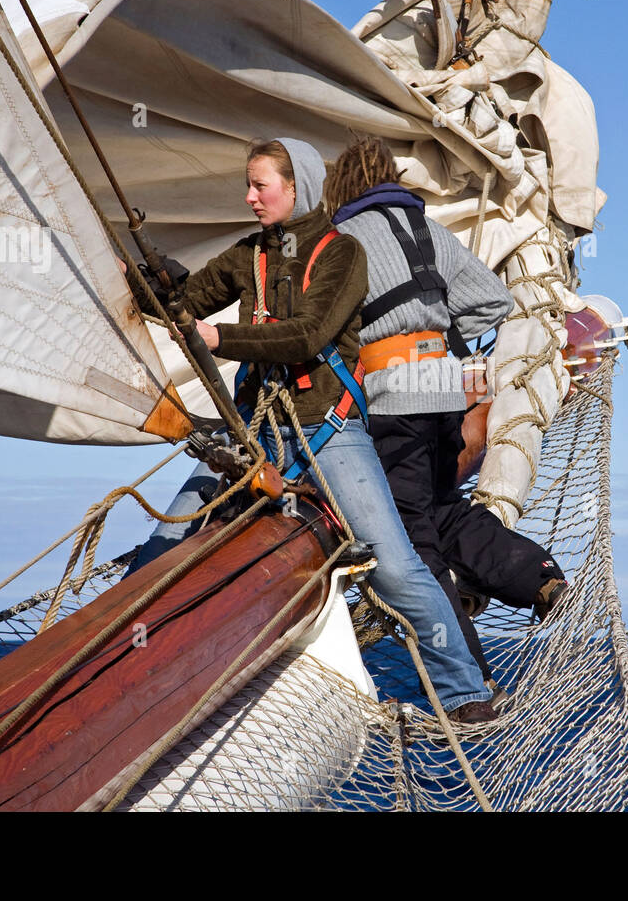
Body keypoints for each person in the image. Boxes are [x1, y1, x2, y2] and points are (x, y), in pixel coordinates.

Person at [126, 137, 495, 723]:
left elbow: (306, 335)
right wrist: (147, 280)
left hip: (326, 429)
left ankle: (464, 691)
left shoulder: (342, 253)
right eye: (247, 186)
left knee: (394, 564)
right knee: (160, 550)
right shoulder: (250, 254)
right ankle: (125, 674)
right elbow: (187, 300)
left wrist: (220, 338)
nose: (249, 198)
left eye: (260, 185)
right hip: (255, 431)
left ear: (296, 187)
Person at [324, 135, 569, 674]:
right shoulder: (426, 230)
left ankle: (468, 680)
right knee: (443, 507)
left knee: (414, 543)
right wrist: (433, 334)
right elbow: (494, 301)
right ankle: (539, 578)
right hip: (444, 396)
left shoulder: (340, 240)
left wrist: (386, 339)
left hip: (393, 401)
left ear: (340, 187)